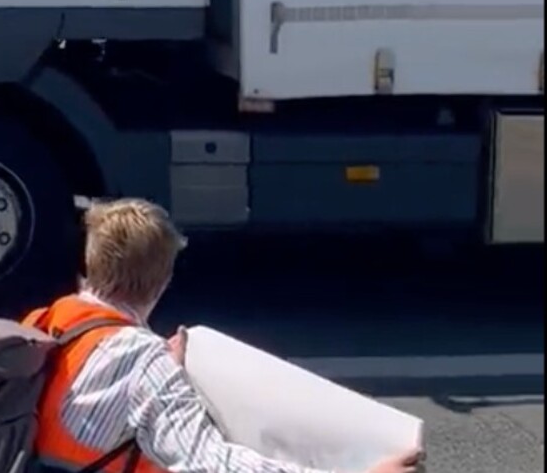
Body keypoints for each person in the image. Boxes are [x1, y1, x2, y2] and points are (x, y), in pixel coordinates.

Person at [23, 198, 423, 473]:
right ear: (163, 281)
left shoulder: (46, 322)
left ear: (90, 266)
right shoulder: (141, 362)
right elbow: (209, 464)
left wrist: (163, 371)